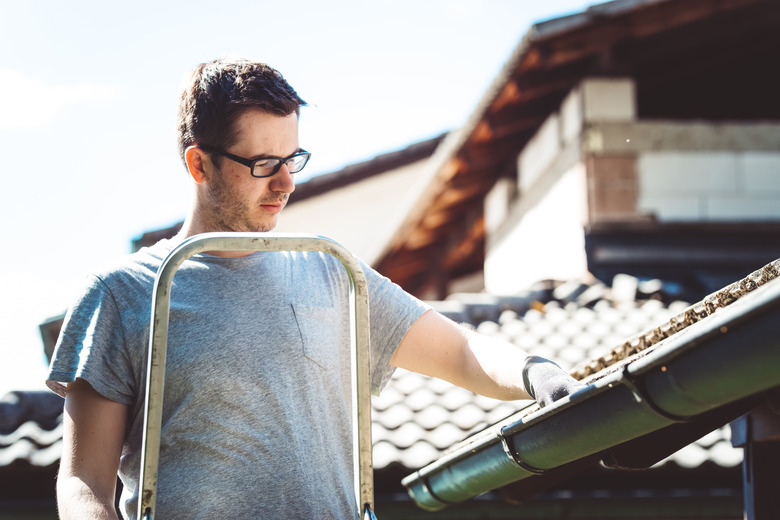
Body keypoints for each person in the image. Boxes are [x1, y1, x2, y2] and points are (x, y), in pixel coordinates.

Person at [46, 57, 584, 520]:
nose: (286, 183)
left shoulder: (333, 273)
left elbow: (461, 351)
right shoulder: (125, 293)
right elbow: (84, 484)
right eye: (262, 164)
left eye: (293, 159)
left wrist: (537, 373)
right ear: (198, 163)